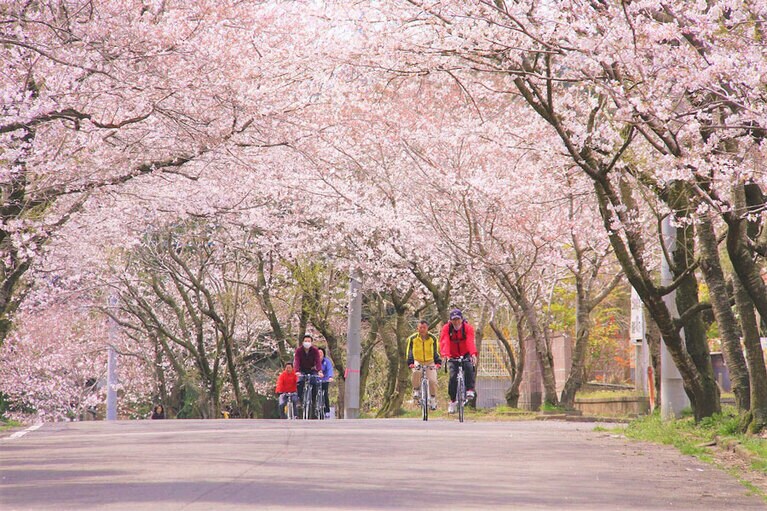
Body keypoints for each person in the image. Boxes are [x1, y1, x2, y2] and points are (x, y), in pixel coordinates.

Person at [439, 308, 477, 414]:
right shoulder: (446, 328)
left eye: (458, 319)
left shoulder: (467, 328)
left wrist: (473, 354)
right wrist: (446, 355)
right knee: (452, 377)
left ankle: (469, 389)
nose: (456, 322)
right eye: (454, 320)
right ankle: (452, 401)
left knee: (469, 367)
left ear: (462, 319)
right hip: (452, 354)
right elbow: (444, 341)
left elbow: (470, 341)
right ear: (450, 320)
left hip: (466, 353)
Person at [406, 320, 442, 410]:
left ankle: (433, 399)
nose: (422, 329)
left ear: (427, 328)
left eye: (424, 328)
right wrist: (410, 363)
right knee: (416, 372)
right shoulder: (412, 338)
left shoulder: (432, 338)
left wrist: (438, 363)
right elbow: (409, 351)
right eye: (420, 328)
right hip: (417, 360)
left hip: (430, 361)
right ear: (417, 328)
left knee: (432, 380)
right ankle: (416, 390)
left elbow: (436, 351)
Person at [294, 334, 323, 417]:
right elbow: (296, 361)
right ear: (303, 342)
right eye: (306, 341)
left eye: (309, 341)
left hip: (312, 369)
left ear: (311, 342)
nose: (307, 343)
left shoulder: (315, 351)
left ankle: (313, 400)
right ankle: (299, 398)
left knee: (314, 382)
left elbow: (318, 361)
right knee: (300, 381)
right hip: (302, 369)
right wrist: (297, 371)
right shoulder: (299, 351)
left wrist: (319, 371)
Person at [318, 348, 334, 419]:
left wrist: (330, 377)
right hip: (316, 380)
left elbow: (330, 369)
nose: (320, 354)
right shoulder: (314, 361)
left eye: (321, 353)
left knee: (325, 394)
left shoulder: (326, 361)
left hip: (325, 380)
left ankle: (327, 410)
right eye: (318, 353)